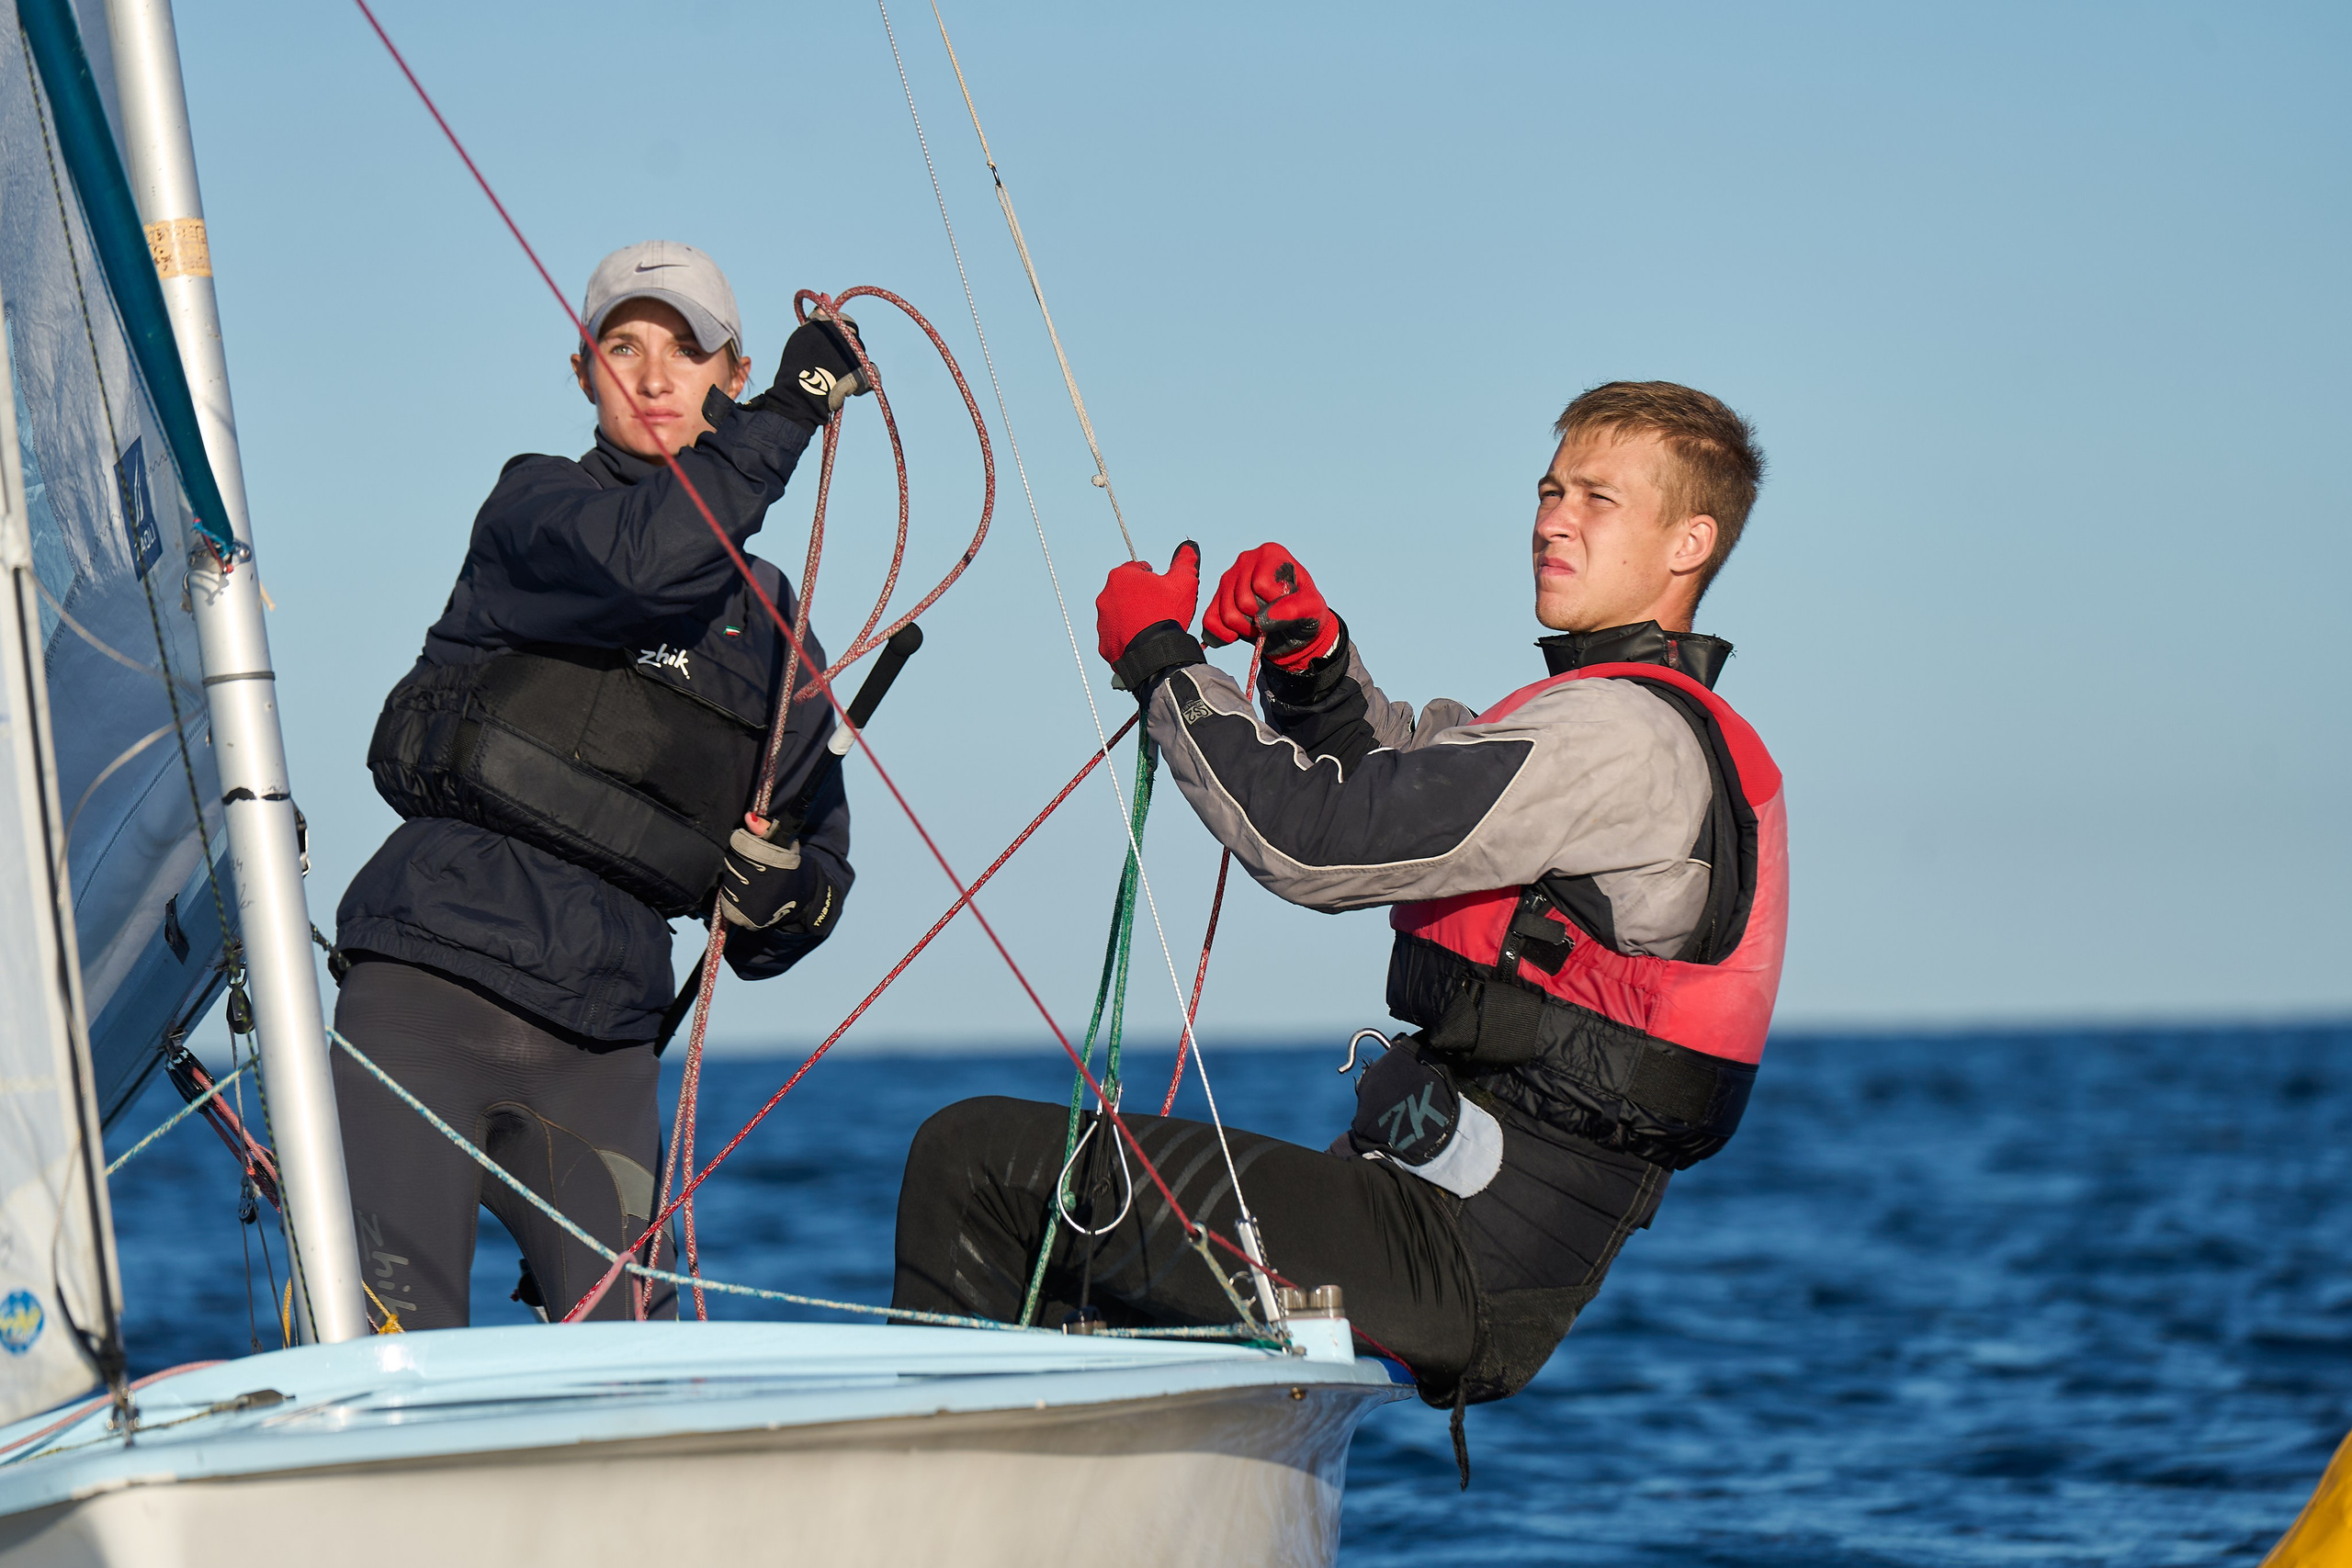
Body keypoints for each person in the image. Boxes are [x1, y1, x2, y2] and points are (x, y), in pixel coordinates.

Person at [891, 380, 1786, 1441]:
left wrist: (1162, 664)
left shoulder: (1619, 739)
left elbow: (1314, 842)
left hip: (1451, 1250)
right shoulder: (1603, 722)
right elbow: (1398, 779)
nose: (1553, 518)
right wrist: (1313, 668)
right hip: (1436, 1224)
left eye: (1597, 498)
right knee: (1085, 1263)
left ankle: (936, 1498)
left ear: (1689, 543)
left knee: (973, 1165)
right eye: (1550, 490)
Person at [333, 241, 869, 1329]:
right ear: (583, 373)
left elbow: (817, 865)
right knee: (390, 1355)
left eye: (688, 350)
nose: (655, 376)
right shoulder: (535, 510)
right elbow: (652, 558)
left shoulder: (774, 627)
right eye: (623, 347)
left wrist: (782, 902)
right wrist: (792, 411)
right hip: (424, 997)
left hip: (602, 1043)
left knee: (637, 1368)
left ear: (730, 369)